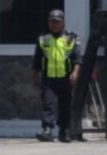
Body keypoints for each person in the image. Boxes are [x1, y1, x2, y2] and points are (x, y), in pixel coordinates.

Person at [34, 9, 81, 143]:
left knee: (65, 105)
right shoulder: (43, 38)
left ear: (63, 22)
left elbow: (78, 58)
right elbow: (37, 60)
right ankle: (47, 130)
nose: (54, 24)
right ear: (48, 22)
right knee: (48, 104)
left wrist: (75, 72)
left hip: (66, 77)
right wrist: (35, 77)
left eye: (57, 22)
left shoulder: (71, 38)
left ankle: (64, 131)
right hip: (48, 78)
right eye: (52, 21)